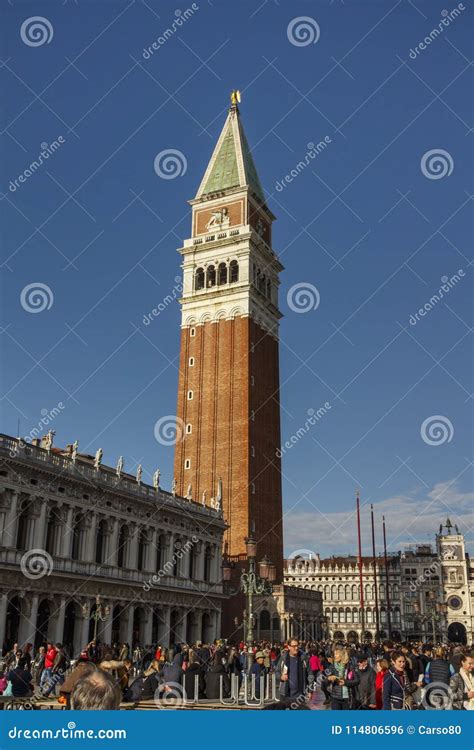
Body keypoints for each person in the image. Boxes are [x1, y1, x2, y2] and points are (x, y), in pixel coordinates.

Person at [277, 639, 313, 706]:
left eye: (297, 646)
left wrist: (310, 691)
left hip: (300, 694)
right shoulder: (283, 658)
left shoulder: (303, 658)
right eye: (294, 646)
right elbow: (277, 672)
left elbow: (310, 674)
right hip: (285, 694)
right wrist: (281, 677)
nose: (296, 648)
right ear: (289, 647)